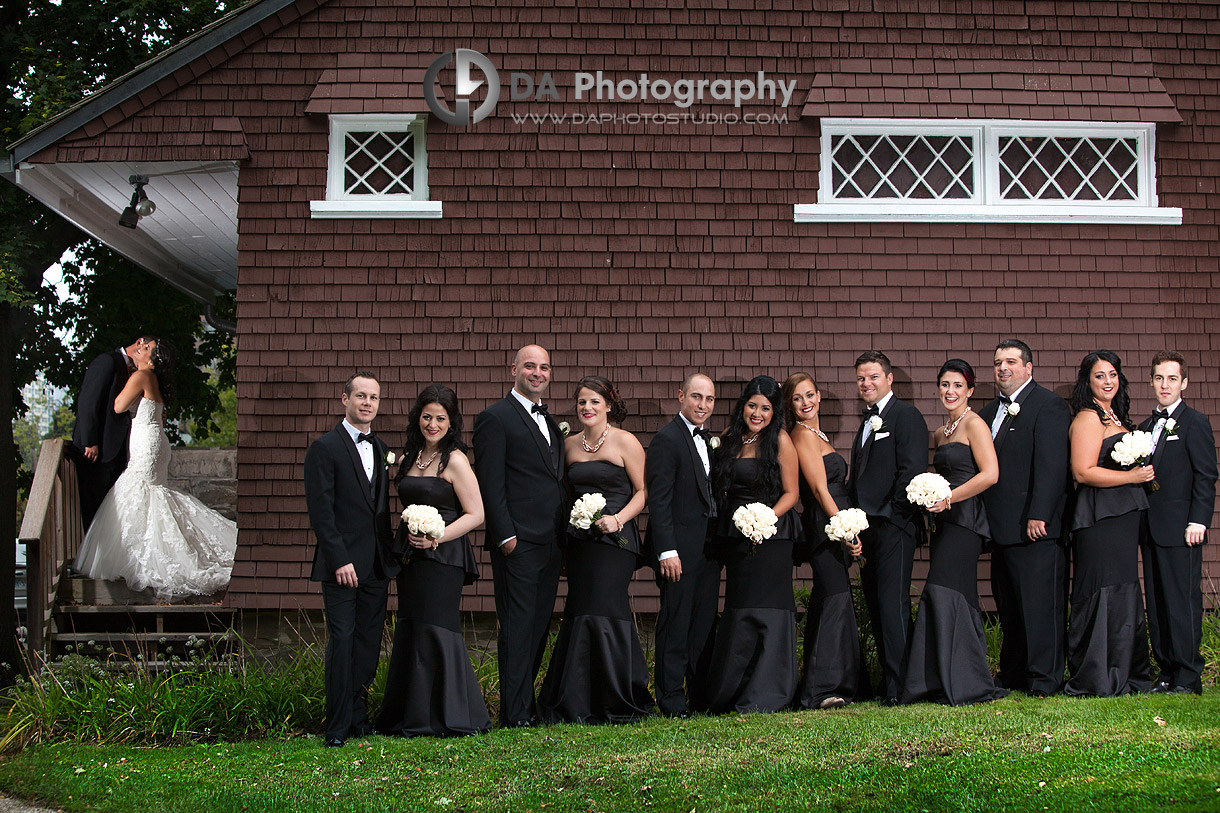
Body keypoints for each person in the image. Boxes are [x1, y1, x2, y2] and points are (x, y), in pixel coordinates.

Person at [74, 340, 236, 600]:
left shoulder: (141, 376)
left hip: (147, 444)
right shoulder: (152, 378)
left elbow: (118, 406)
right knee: (151, 494)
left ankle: (148, 559)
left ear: (152, 358)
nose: (140, 347)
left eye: (146, 347)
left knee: (142, 493)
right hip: (155, 441)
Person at [376, 384, 492, 737]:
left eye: (441, 418)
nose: (433, 424)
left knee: (437, 628)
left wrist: (437, 535)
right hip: (411, 557)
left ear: (451, 422)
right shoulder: (411, 457)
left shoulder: (454, 459)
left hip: (443, 558)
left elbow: (476, 513)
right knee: (411, 627)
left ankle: (451, 714)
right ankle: (411, 715)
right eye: (427, 416)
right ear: (418, 418)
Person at [538, 376, 653, 723]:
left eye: (594, 402)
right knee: (580, 608)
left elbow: (643, 491)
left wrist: (618, 520)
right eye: (582, 403)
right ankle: (577, 699)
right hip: (581, 543)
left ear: (608, 405)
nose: (587, 408)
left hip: (615, 542)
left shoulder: (625, 442)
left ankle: (618, 695)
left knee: (607, 607)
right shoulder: (569, 445)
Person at [901, 359, 1006, 706]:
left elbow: (990, 474)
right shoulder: (940, 432)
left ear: (970, 390)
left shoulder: (975, 424)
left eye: (958, 385)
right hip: (944, 523)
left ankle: (964, 681)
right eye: (945, 385)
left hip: (967, 522)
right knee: (955, 593)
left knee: (946, 591)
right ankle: (946, 678)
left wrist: (949, 497)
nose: (951, 391)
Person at [472, 345, 566, 727]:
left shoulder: (552, 421)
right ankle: (514, 715)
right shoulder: (495, 418)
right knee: (517, 626)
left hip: (552, 542)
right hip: (519, 542)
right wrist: (505, 536)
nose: (537, 372)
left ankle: (524, 705)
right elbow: (491, 485)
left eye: (544, 367)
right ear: (514, 369)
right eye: (530, 366)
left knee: (539, 623)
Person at [304, 371, 399, 747]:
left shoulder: (381, 448)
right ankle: (337, 726)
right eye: (360, 396)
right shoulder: (324, 448)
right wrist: (339, 558)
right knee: (342, 642)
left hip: (376, 564)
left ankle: (358, 718)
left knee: (367, 643)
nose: (367, 403)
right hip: (341, 566)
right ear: (344, 399)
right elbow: (321, 512)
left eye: (373, 397)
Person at [977, 339, 1072, 697]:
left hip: (1036, 528)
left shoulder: (1048, 406)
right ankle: (1015, 672)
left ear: (1029, 368)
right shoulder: (986, 414)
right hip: (1001, 530)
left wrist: (1039, 514)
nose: (1003, 368)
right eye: (999, 362)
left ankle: (1045, 678)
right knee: (1011, 607)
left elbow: (1052, 466)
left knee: (1040, 607)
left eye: (1012, 362)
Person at [704, 375, 801, 713]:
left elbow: (792, 493)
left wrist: (765, 519)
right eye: (752, 405)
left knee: (769, 607)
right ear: (742, 406)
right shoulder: (729, 439)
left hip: (773, 537)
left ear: (775, 412)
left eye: (765, 408)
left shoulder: (781, 441)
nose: (757, 413)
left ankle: (768, 691)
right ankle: (733, 689)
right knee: (739, 606)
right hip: (736, 535)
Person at [1064, 350, 1153, 697]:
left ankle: (1126, 670)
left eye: (1113, 374)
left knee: (1123, 589)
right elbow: (1082, 471)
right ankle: (1098, 674)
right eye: (1100, 375)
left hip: (1122, 517)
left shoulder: (1114, 416)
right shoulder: (1088, 418)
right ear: (1088, 381)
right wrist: (1131, 477)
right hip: (1099, 517)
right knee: (1102, 588)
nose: (1108, 381)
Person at [846, 351, 929, 706]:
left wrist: (894, 516)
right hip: (868, 530)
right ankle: (889, 681)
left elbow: (910, 471)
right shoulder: (866, 421)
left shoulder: (906, 416)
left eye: (873, 377)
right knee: (876, 606)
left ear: (889, 378)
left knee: (893, 604)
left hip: (895, 526)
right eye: (862, 378)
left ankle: (901, 686)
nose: (867, 383)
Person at [783, 372, 866, 710]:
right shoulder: (802, 436)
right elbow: (818, 489)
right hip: (824, 525)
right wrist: (846, 529)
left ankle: (829, 683)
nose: (806, 403)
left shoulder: (819, 433)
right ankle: (823, 689)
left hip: (833, 522)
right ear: (791, 405)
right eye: (797, 398)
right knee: (835, 598)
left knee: (827, 598)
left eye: (809, 395)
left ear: (819, 395)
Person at [1139, 351, 1217, 696]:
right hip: (1150, 530)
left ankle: (1188, 675)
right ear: (1152, 382)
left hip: (1182, 529)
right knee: (1157, 604)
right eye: (1159, 378)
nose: (1165, 385)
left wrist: (1198, 520)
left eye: (1172, 378)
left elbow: (1206, 476)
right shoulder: (1144, 427)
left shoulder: (1194, 422)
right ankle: (1167, 671)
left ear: (1183, 383)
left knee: (1182, 603)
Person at [645, 373, 722, 717]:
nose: (702, 405)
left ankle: (700, 697)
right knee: (675, 626)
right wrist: (666, 550)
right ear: (680, 396)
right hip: (678, 552)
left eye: (708, 399)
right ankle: (671, 700)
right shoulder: (667, 439)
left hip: (708, 552)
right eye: (696, 397)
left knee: (703, 625)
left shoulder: (708, 440)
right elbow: (659, 501)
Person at [71, 336, 157, 530]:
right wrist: (90, 441)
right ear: (139, 344)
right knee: (93, 510)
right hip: (95, 452)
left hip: (116, 452)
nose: (152, 356)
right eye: (150, 350)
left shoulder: (135, 372)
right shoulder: (107, 361)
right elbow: (88, 401)